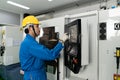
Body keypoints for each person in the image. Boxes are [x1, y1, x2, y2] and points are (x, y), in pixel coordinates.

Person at [19, 15, 68, 80]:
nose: (39, 29)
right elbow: (50, 55)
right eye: (37, 26)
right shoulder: (30, 44)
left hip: (36, 73)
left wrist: (56, 56)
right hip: (34, 76)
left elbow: (38, 56)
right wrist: (61, 41)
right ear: (30, 28)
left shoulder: (29, 41)